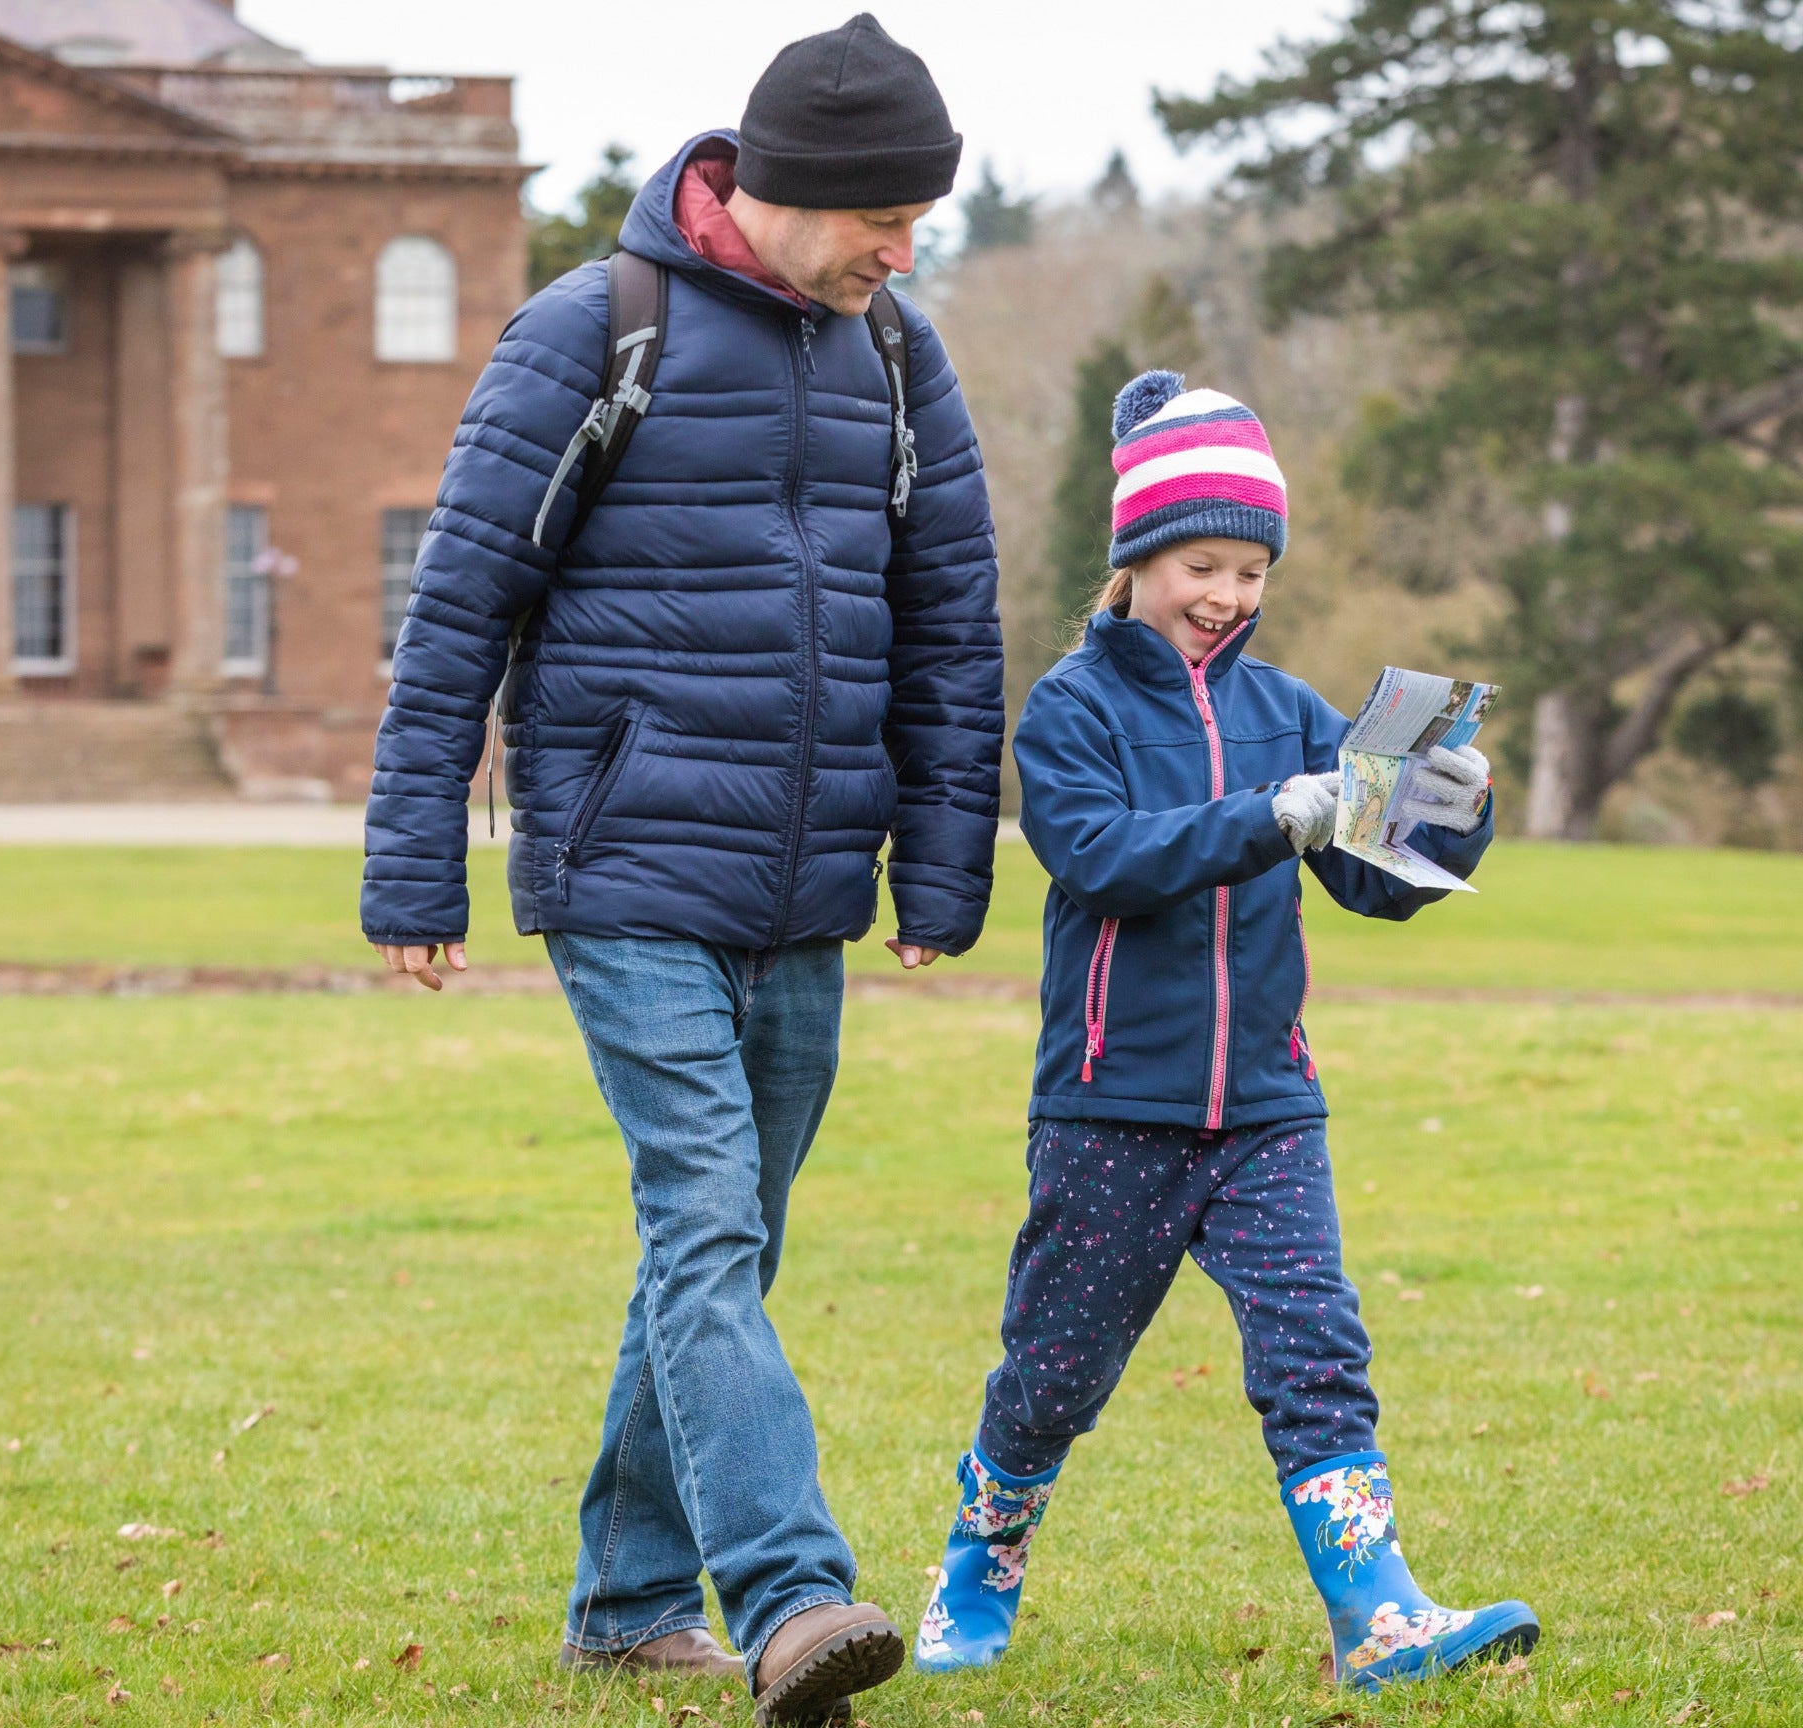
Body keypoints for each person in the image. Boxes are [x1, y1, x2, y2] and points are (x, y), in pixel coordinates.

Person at [357, 15, 1003, 1723]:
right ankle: (793, 1597)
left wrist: (942, 859)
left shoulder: (899, 360)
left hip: (802, 892)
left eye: (920, 222)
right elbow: (460, 607)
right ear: (793, 190)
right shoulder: (595, 330)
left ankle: (630, 1601)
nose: (904, 248)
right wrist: (418, 858)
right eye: (887, 217)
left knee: (727, 1243)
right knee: (707, 1220)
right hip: (625, 863)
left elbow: (952, 627)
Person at [909, 372, 1538, 1692]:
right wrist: (1275, 818)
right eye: (1203, 562)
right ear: (1136, 557)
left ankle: (1379, 1615)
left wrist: (1451, 808)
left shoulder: (1296, 716)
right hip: (1108, 1107)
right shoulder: (1071, 710)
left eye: (1252, 570)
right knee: (1053, 1373)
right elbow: (1101, 859)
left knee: (1319, 1354)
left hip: (1265, 1108)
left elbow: (1375, 879)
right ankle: (983, 1555)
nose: (1228, 595)